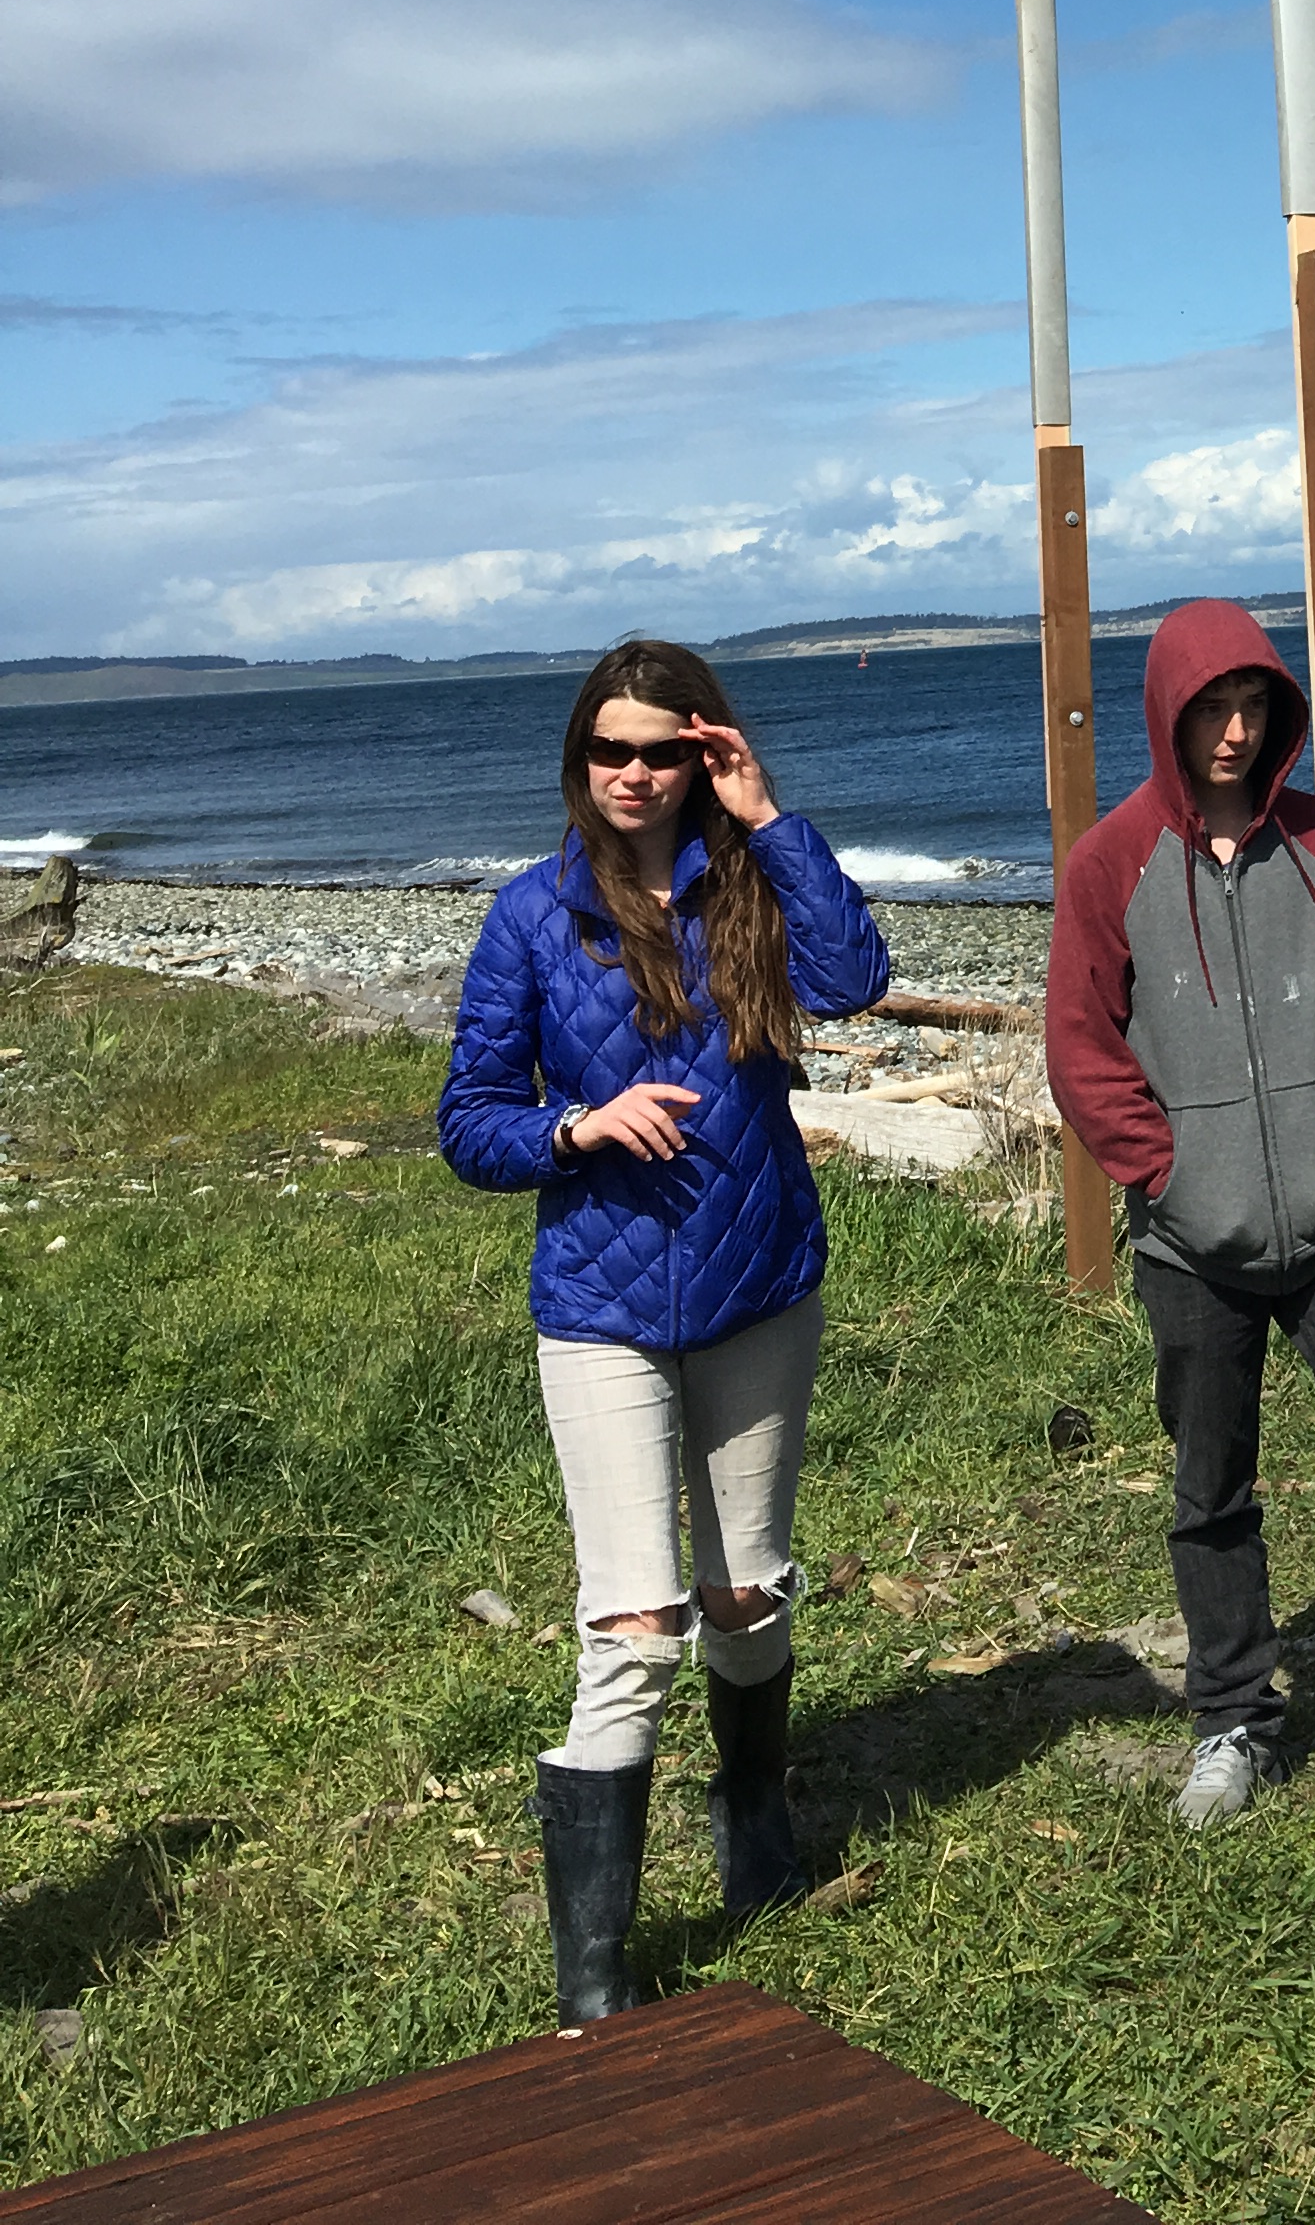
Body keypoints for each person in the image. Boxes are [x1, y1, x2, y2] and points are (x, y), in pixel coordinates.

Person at [438, 639, 889, 2031]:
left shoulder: (749, 884)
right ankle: (594, 1981)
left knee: (747, 1593)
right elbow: (469, 1122)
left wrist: (770, 816)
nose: (632, 776)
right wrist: (578, 1125)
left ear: (701, 757)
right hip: (601, 1309)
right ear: (579, 761)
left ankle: (754, 1816)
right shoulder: (532, 915)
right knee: (634, 1626)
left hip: (760, 1288)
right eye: (609, 751)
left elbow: (856, 980)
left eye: (661, 752)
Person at [1046, 598, 1315, 1828]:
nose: (1236, 733)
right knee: (1212, 1488)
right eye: (1212, 711)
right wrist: (1168, 1173)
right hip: (1195, 1246)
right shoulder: (1112, 861)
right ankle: (1234, 1719)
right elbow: (1081, 1047)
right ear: (1169, 716)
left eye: (1252, 707)